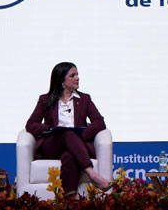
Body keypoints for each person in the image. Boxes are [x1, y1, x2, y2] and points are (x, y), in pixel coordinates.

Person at [25, 62, 112, 195]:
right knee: (67, 133)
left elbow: (99, 122)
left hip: (76, 146)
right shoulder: (46, 99)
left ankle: (67, 205)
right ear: (61, 81)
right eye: (73, 75)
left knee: (69, 157)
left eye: (77, 74)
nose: (77, 78)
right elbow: (31, 124)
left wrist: (81, 135)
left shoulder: (84, 99)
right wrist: (50, 129)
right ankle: (92, 173)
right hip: (53, 145)